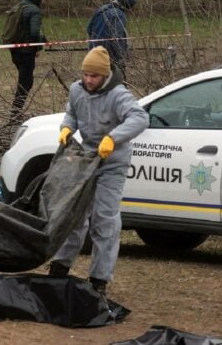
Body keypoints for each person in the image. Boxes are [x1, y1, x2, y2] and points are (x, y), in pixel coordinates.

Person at [47, 47, 149, 298]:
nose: (89, 80)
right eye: (85, 75)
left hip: (112, 163)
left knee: (105, 218)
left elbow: (140, 118)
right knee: (74, 213)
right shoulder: (76, 90)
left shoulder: (118, 95)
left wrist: (113, 138)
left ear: (104, 76)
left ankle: (99, 278)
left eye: (94, 76)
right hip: (86, 159)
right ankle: (60, 265)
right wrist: (66, 128)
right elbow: (71, 113)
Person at [8, 0, 46, 122]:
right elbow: (35, 33)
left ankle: (16, 111)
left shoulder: (18, 6)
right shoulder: (34, 11)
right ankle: (15, 113)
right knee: (26, 82)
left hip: (14, 50)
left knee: (24, 81)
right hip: (26, 52)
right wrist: (40, 43)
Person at [86, 0, 136, 76]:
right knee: (116, 84)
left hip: (94, 52)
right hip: (110, 56)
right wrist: (121, 57)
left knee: (97, 81)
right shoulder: (119, 15)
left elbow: (89, 29)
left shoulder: (101, 9)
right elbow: (116, 38)